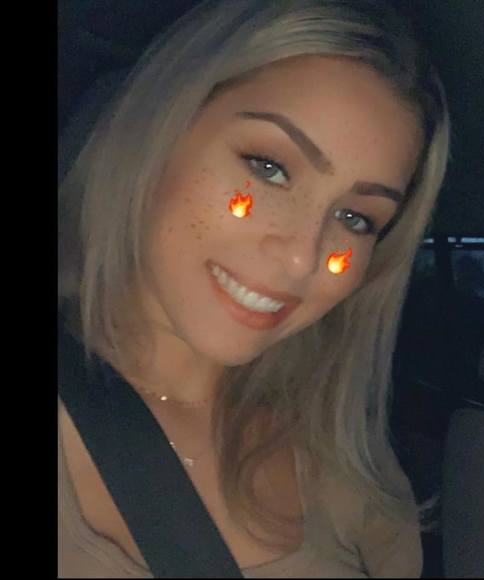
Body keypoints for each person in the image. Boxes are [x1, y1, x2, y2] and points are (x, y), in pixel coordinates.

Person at [58, 0, 450, 577]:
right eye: (268, 167)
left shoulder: (346, 467)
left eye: (355, 218)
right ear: (153, 132)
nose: (301, 257)